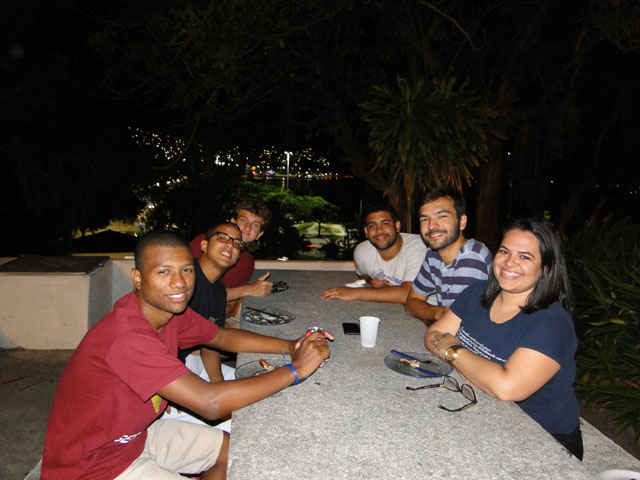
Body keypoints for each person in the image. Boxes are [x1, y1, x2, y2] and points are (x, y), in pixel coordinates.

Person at [42, 230, 332, 480]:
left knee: (228, 450)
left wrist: (291, 345)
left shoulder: (168, 313)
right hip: (91, 467)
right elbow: (210, 404)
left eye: (187, 270)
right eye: (164, 271)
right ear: (138, 278)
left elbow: (221, 337)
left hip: (133, 439)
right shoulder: (126, 336)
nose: (180, 282)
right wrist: (295, 370)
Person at [424, 217, 583, 460]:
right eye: (504, 251)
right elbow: (432, 335)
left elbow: (506, 388)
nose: (509, 262)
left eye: (524, 256)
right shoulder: (477, 292)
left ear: (545, 268)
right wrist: (476, 368)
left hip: (544, 440)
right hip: (483, 412)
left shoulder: (552, 324)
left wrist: (453, 351)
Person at [405, 186, 492, 325]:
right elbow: (411, 303)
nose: (431, 226)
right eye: (424, 219)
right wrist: (438, 312)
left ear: (462, 222)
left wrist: (438, 316)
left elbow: (456, 326)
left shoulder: (471, 258)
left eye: (442, 216)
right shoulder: (434, 254)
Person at [320, 204, 426, 304]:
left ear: (397, 226)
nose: (379, 230)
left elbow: (410, 294)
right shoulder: (362, 251)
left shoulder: (418, 248)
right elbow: (363, 274)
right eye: (372, 226)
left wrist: (355, 293)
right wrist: (372, 281)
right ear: (366, 232)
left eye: (385, 224)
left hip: (427, 310)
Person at [190, 200, 273, 318]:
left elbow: (228, 308)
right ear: (233, 222)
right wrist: (248, 289)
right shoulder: (206, 242)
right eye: (243, 220)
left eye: (255, 225)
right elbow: (187, 291)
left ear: (259, 234)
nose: (247, 228)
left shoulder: (247, 262)